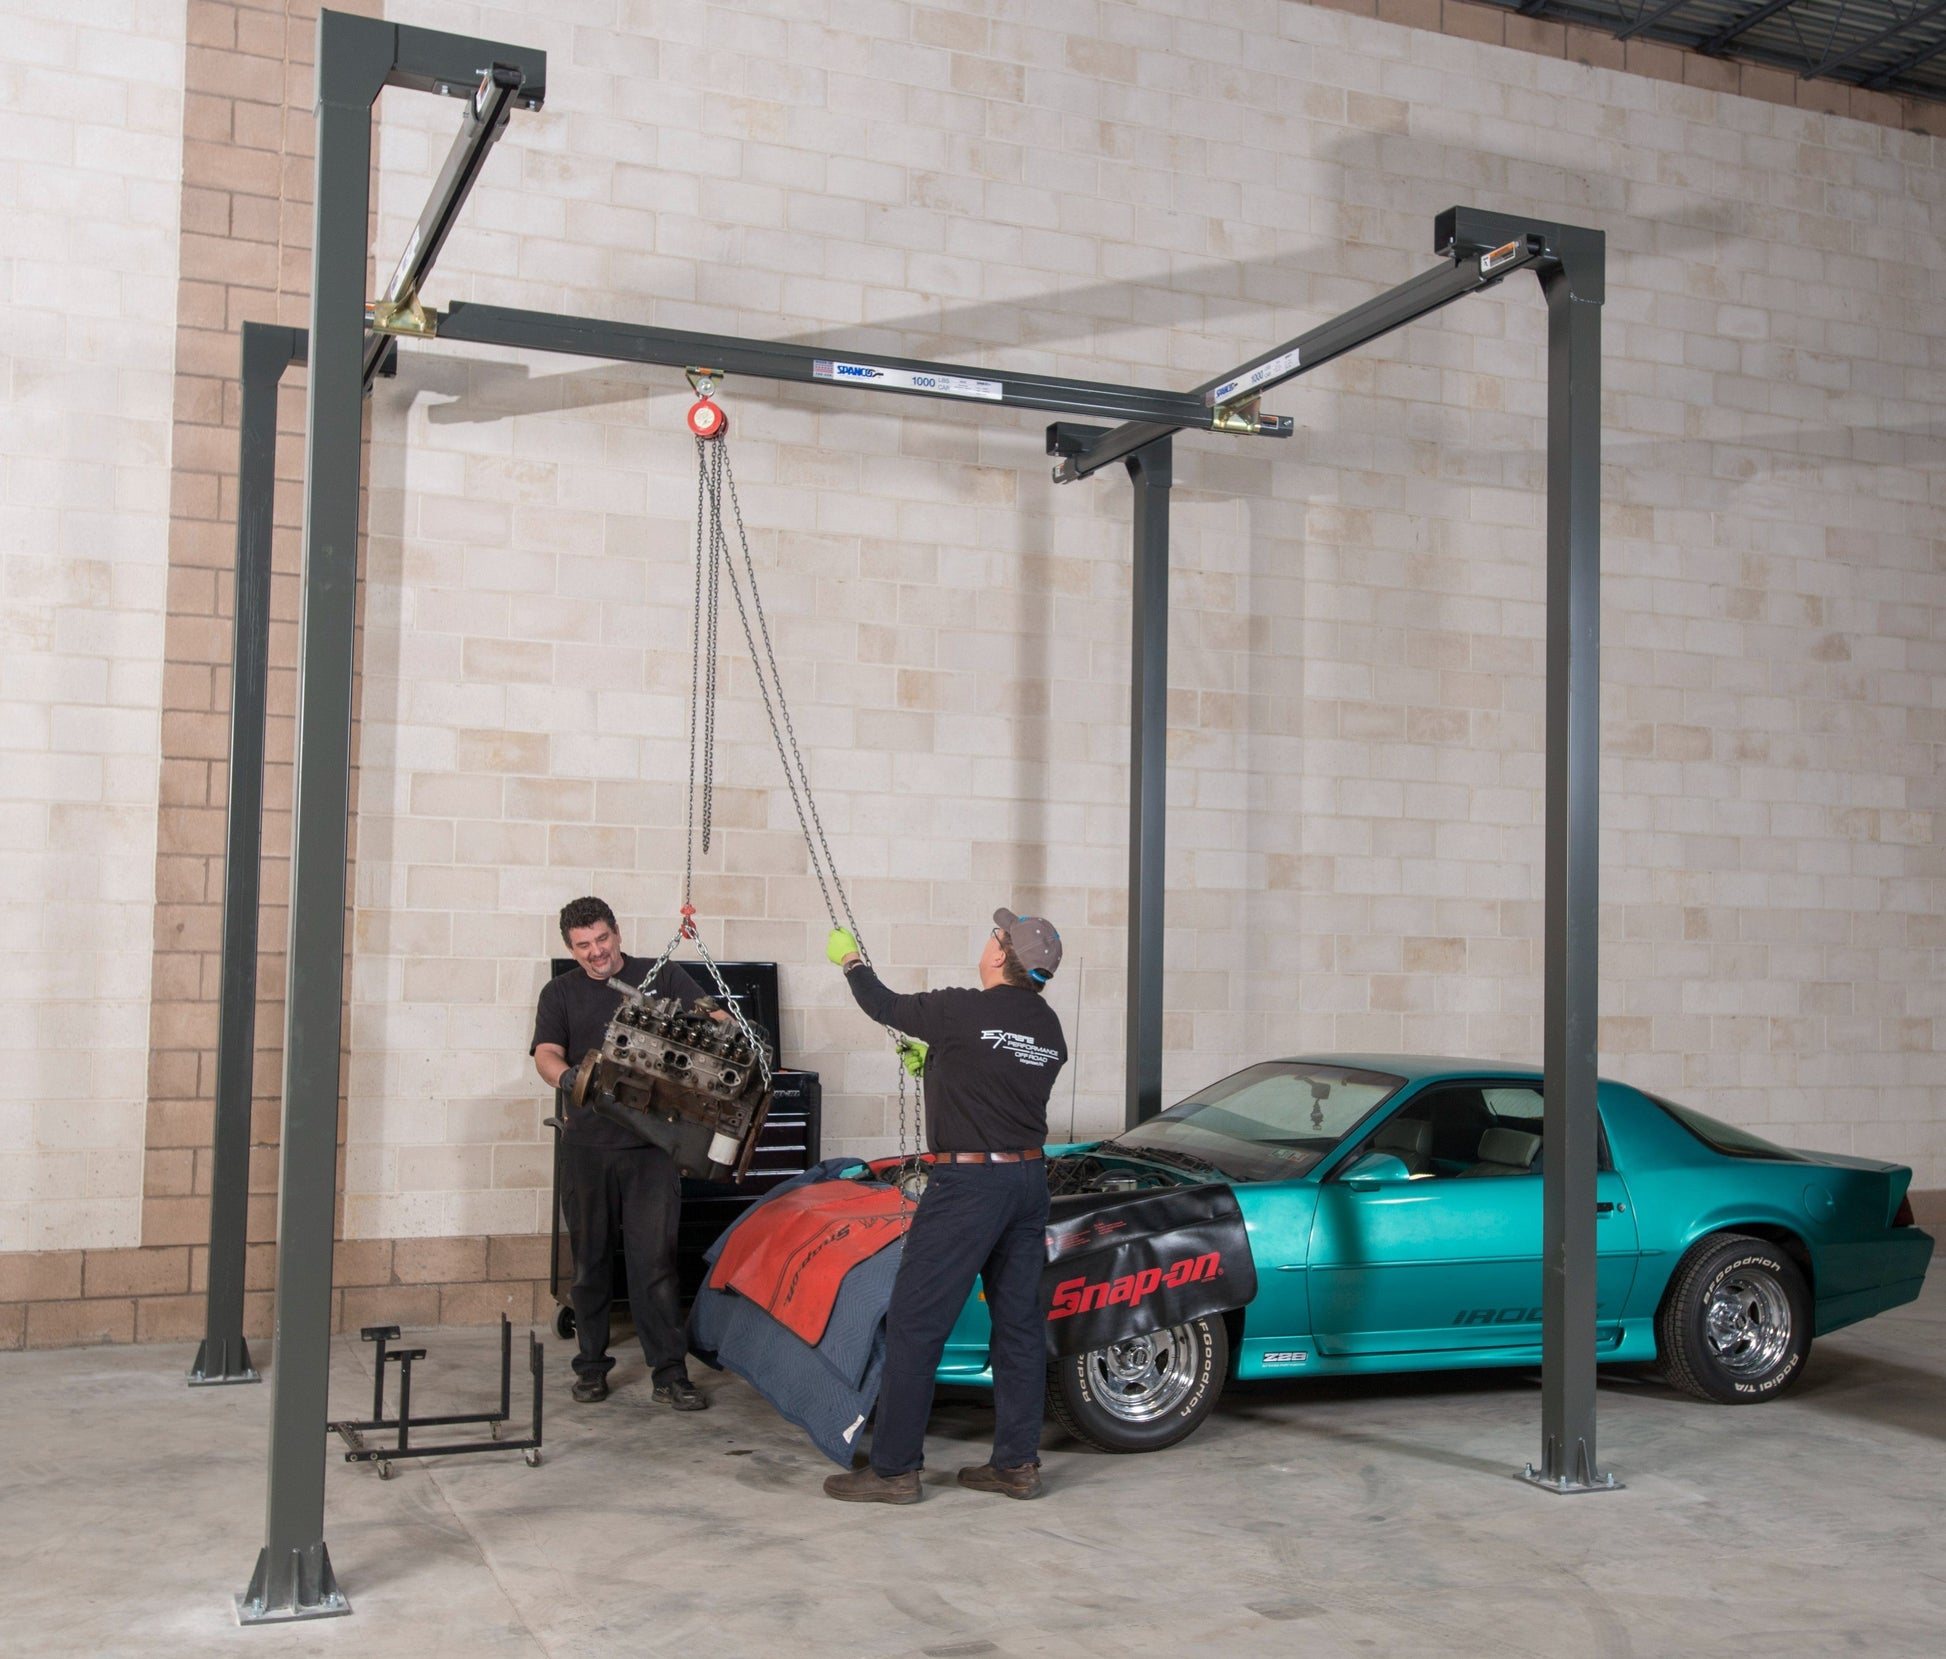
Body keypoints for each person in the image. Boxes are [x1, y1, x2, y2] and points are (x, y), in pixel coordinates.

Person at [821, 908, 1068, 1504]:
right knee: (1019, 1326)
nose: (987, 941)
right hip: (1028, 1183)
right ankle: (1016, 1465)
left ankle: (893, 1471)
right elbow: (997, 1080)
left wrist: (850, 961)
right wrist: (935, 1064)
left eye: (994, 935)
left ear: (1001, 955)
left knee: (916, 1322)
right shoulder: (1050, 1028)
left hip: (969, 1188)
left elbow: (882, 1003)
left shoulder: (962, 1010)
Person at [531, 896, 716, 1410]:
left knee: (655, 1264)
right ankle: (591, 1367)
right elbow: (546, 1053)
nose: (596, 952)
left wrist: (706, 1029)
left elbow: (714, 1017)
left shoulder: (663, 976)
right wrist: (568, 1079)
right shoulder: (560, 993)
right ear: (571, 948)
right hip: (587, 1147)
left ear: (617, 932)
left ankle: (670, 1374)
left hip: (652, 1149)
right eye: (583, 945)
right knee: (589, 1264)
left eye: (602, 939)